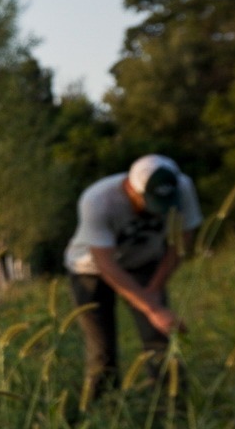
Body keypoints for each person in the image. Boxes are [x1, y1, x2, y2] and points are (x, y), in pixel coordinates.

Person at [64, 154, 202, 399]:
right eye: (148, 201)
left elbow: (181, 242)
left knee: (160, 341)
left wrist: (154, 290)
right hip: (90, 271)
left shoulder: (182, 186)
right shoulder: (98, 199)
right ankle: (100, 410)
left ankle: (172, 410)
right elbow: (105, 263)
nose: (155, 210)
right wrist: (153, 308)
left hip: (144, 264)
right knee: (102, 351)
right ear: (130, 186)